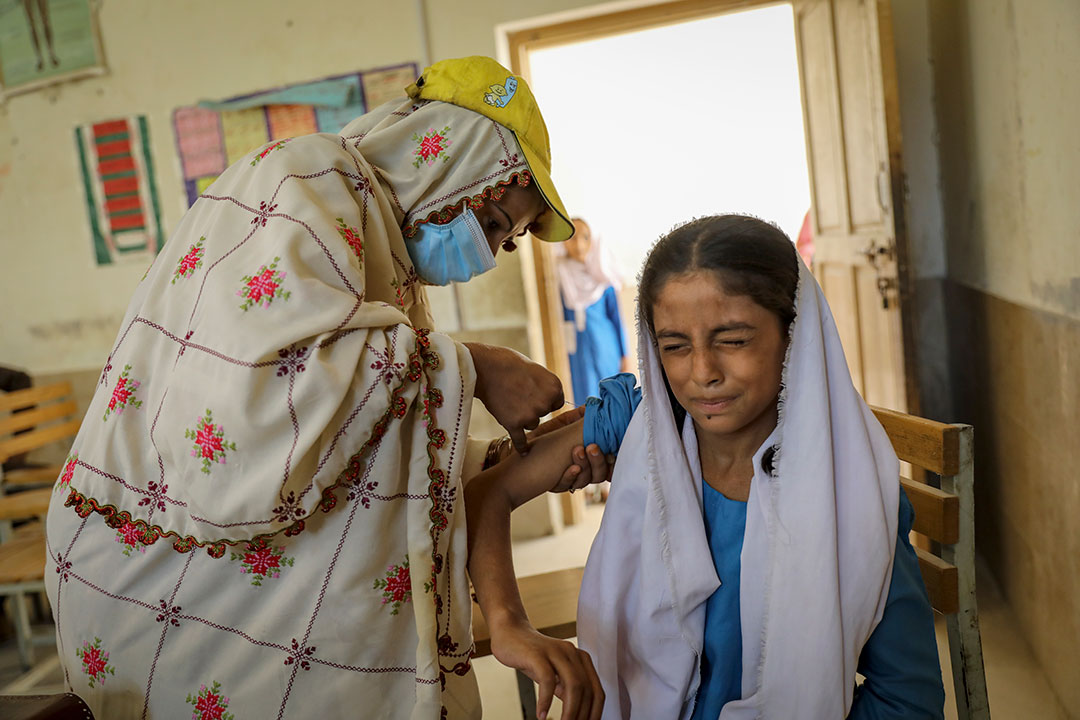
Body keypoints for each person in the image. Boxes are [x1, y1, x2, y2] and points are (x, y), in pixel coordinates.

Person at [44, 57, 608, 720]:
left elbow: (365, 444)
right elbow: (249, 404)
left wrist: (518, 457)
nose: (484, 255)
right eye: (489, 223)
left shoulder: (386, 271)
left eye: (504, 243)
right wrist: (477, 367)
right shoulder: (308, 177)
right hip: (161, 565)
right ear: (441, 163)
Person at [576, 215, 945, 718]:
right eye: (675, 346)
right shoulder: (647, 446)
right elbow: (495, 484)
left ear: (796, 336)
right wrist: (513, 624)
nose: (703, 372)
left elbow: (907, 699)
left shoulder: (846, 495)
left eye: (733, 340)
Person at [556, 218, 630, 405]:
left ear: (594, 240)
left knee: (612, 397)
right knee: (585, 398)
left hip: (606, 347)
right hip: (578, 350)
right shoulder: (560, 275)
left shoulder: (603, 276)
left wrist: (625, 356)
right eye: (572, 238)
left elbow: (617, 320)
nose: (579, 245)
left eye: (585, 238)